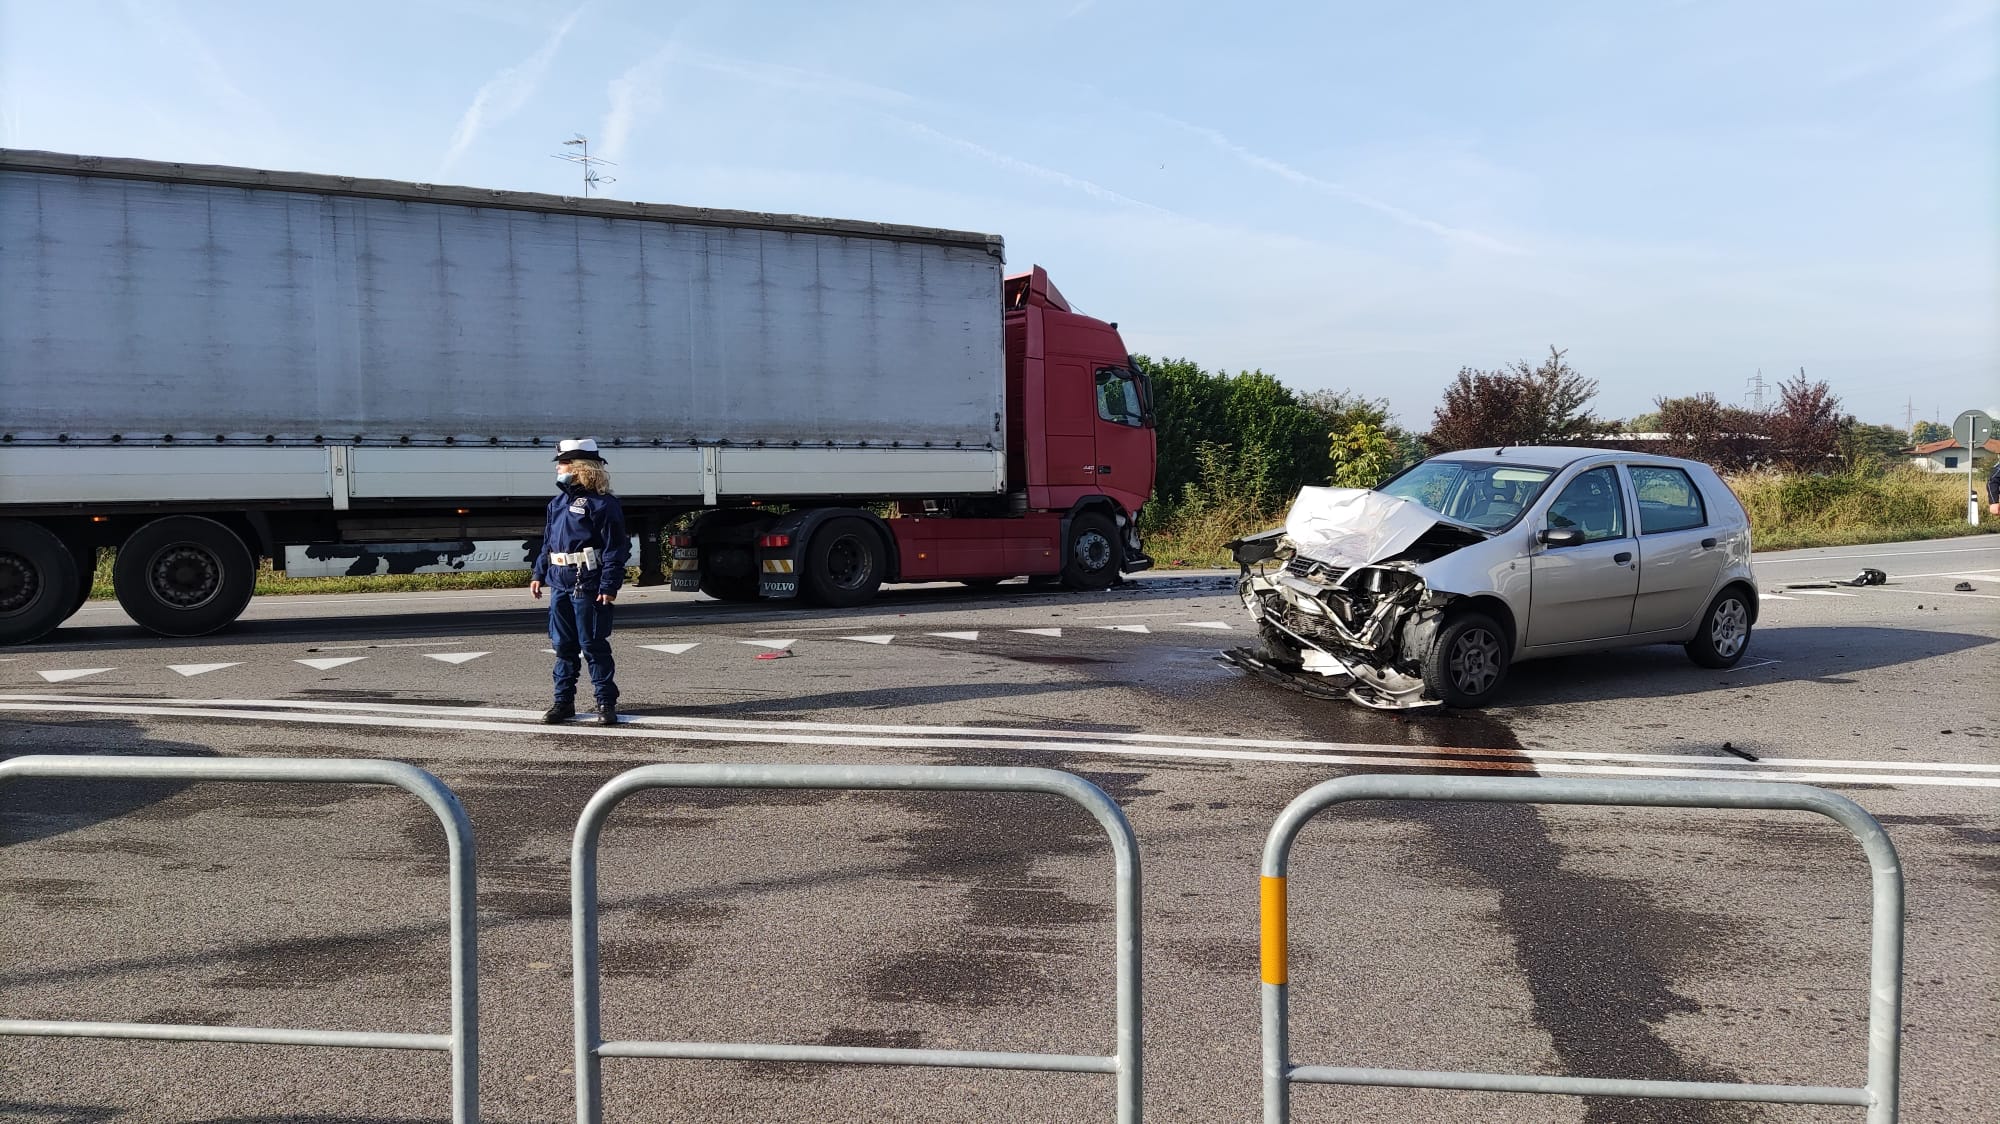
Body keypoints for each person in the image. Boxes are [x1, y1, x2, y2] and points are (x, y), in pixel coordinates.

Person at [531, 438, 629, 725]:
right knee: (563, 646)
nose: (558, 469)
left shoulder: (604, 504)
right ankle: (563, 703)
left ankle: (605, 702)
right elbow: (548, 543)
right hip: (560, 582)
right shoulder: (557, 503)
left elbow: (616, 548)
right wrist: (539, 573)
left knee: (593, 645)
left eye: (563, 464)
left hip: (588, 583)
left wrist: (609, 585)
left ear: (580, 468)